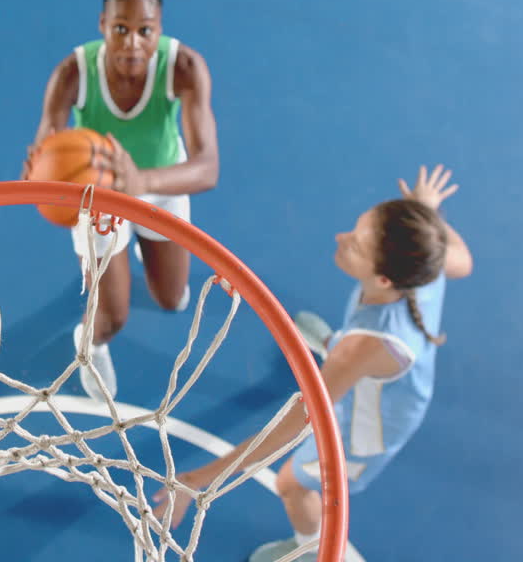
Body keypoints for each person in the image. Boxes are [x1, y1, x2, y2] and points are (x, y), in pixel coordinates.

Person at [153, 165, 474, 562]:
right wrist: (427, 211)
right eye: (356, 229)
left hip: (369, 425)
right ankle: (333, 353)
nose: (341, 238)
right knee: (346, 357)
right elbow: (463, 259)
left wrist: (198, 480)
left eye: (355, 244)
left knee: (291, 483)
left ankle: (309, 550)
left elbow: (285, 432)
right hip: (373, 361)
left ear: (386, 280)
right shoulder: (428, 262)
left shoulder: (360, 350)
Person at [23, 0, 221, 402]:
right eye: (121, 29)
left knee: (170, 299)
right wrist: (42, 174)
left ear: (160, 30)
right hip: (98, 195)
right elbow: (47, 141)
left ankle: (134, 254)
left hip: (162, 180)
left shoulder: (184, 67)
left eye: (144, 31)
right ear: (102, 25)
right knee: (112, 319)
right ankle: (89, 343)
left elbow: (208, 168)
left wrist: (142, 181)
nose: (132, 43)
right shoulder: (72, 72)